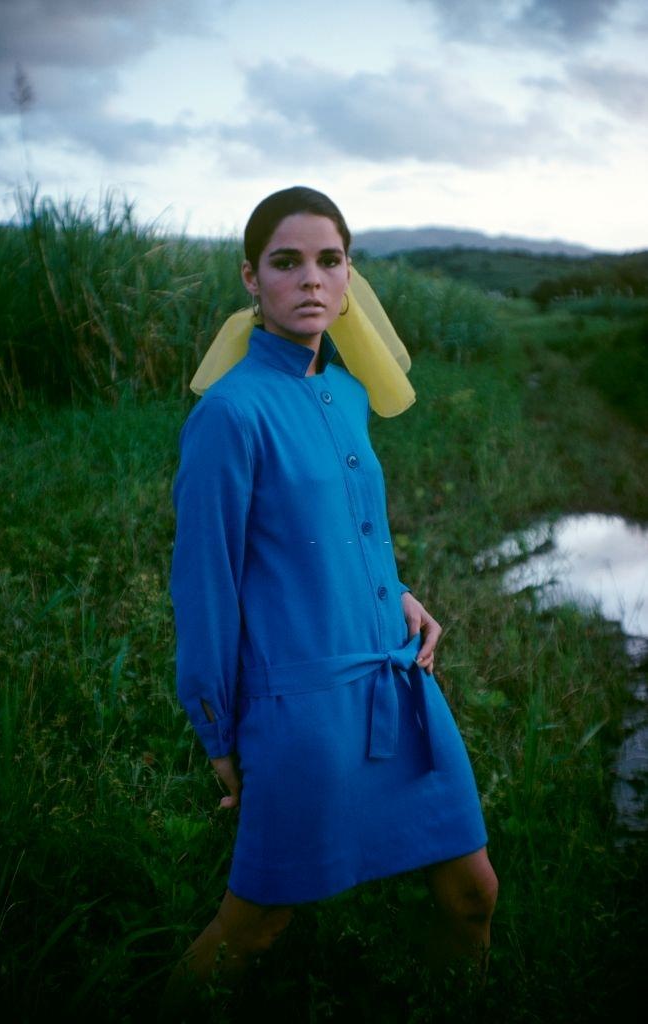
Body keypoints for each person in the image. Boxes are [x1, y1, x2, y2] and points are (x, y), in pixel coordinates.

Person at [163, 186, 497, 1013]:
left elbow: (339, 528)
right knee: (258, 928)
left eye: (329, 260)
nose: (310, 279)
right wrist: (217, 729)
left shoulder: (347, 396)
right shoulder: (229, 415)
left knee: (472, 894)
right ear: (251, 278)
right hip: (300, 710)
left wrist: (401, 594)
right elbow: (205, 586)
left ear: (349, 278)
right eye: (286, 262)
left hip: (398, 682)